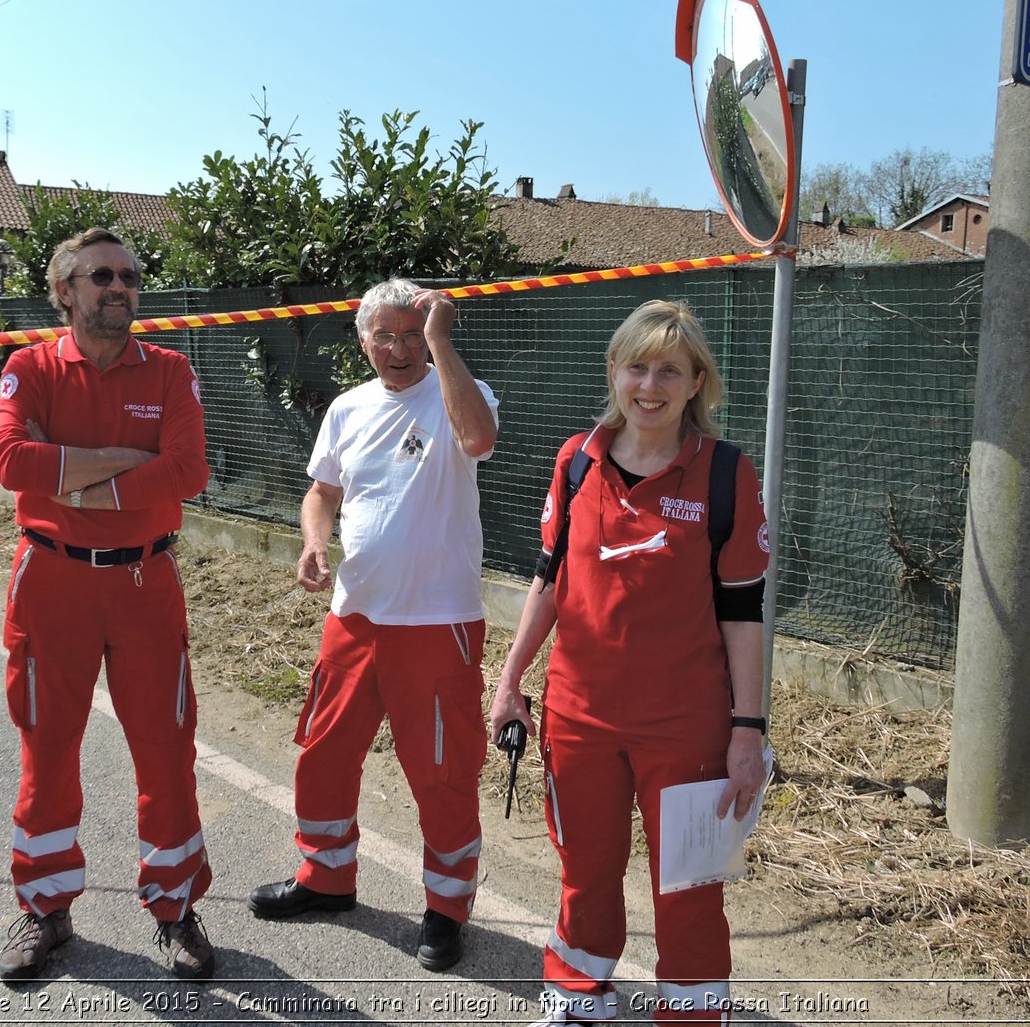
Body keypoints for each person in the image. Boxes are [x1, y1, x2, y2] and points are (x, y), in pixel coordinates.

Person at [488, 299, 770, 1026]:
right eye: (636, 366)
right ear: (613, 372)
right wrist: (510, 679)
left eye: (669, 370)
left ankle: (692, 1013)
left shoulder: (725, 475)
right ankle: (579, 997)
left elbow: (744, 616)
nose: (650, 385)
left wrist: (748, 730)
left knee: (689, 883)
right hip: (579, 717)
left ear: (697, 381)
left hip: (687, 727)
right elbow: (549, 581)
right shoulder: (576, 460)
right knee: (585, 871)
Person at [248, 277, 500, 972]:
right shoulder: (347, 408)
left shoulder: (456, 392)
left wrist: (443, 339)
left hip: (437, 622)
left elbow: (478, 437)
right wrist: (313, 539)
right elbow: (323, 491)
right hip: (353, 618)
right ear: (362, 340)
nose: (397, 348)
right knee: (322, 755)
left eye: (410, 334)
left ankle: (447, 910)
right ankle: (325, 880)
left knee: (443, 773)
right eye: (383, 335)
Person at [0, 228, 215, 982]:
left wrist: (75, 473)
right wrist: (125, 463)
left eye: (130, 276)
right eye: (101, 276)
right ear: (65, 291)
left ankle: (177, 908)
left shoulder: (171, 371)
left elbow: (186, 472)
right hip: (52, 581)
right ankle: (46, 910)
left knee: (166, 750)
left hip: (147, 584)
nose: (120, 288)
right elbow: (11, 461)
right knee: (47, 748)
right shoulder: (31, 366)